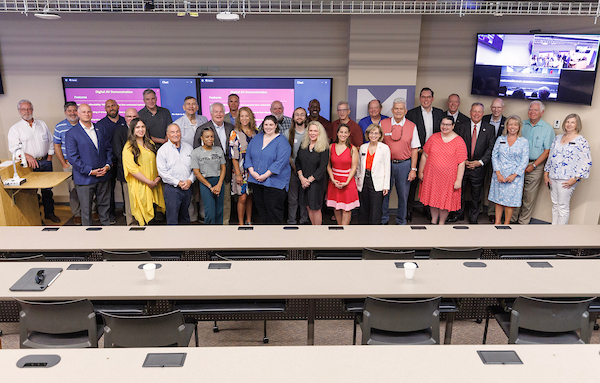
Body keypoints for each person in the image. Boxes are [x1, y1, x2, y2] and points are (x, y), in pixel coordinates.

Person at [8, 99, 59, 223]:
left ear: (32, 109)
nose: (26, 111)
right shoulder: (15, 129)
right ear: (19, 111)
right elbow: (13, 148)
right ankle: (37, 217)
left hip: (45, 162)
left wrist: (50, 157)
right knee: (32, 193)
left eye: (29, 109)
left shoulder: (42, 124)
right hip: (29, 165)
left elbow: (51, 141)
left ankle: (49, 213)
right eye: (23, 109)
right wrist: (27, 155)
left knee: (48, 191)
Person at [65, 104, 113, 226]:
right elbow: (72, 157)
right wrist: (90, 171)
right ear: (78, 114)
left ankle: (107, 232)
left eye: (89, 112)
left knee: (104, 206)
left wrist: (107, 165)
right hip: (85, 178)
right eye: (84, 112)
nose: (87, 114)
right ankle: (88, 237)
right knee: (86, 210)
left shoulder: (100, 128)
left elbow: (108, 149)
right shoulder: (72, 133)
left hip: (103, 175)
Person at [418, 116, 467, 225]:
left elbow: (462, 163)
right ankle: (433, 221)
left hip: (449, 178)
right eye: (443, 124)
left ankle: (441, 222)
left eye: (448, 124)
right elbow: (424, 155)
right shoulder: (433, 138)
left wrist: (459, 180)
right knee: (433, 200)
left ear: (453, 126)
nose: (445, 127)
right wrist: (421, 171)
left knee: (445, 201)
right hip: (432, 176)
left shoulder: (459, 141)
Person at [451, 103, 495, 223]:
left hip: (479, 167)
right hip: (462, 165)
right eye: (474, 111)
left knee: (476, 194)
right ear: (470, 112)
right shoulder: (461, 126)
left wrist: (480, 162)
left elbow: (490, 148)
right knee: (459, 191)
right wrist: (462, 161)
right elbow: (456, 145)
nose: (476, 114)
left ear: (483, 113)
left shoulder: (490, 128)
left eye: (479, 112)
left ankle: (473, 217)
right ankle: (458, 214)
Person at [544, 114, 592, 225]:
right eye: (567, 122)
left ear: (577, 125)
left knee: (563, 206)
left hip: (567, 179)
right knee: (555, 204)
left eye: (572, 122)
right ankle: (553, 230)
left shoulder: (581, 141)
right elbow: (551, 156)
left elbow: (587, 162)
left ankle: (561, 234)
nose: (569, 124)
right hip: (553, 176)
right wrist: (546, 174)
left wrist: (576, 178)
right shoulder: (558, 138)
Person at [406, 87, 444, 221]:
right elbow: (408, 134)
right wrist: (418, 148)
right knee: (412, 184)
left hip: (435, 156)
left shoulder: (440, 114)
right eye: (423, 97)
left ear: (432, 99)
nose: (426, 99)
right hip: (417, 153)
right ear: (420, 98)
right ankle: (408, 211)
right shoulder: (411, 114)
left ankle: (428, 210)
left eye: (428, 97)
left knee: (431, 184)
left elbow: (443, 133)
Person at [380, 98, 420, 225]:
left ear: (405, 111)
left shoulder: (412, 126)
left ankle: (401, 221)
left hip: (404, 165)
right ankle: (383, 220)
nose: (398, 111)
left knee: (403, 195)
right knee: (384, 194)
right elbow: (378, 145)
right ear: (392, 110)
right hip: (386, 165)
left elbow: (415, 149)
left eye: (401, 108)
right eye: (396, 108)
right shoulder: (383, 123)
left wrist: (413, 169)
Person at [245, 115, 292, 224]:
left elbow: (280, 162)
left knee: (274, 212)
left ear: (276, 126)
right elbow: (248, 155)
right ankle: (266, 237)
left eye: (271, 124)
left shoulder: (282, 141)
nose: (268, 127)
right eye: (266, 124)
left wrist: (265, 175)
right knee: (261, 211)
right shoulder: (257, 138)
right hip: (256, 181)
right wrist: (252, 172)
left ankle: (276, 238)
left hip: (275, 183)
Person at [194, 102, 234, 225]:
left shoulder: (230, 127)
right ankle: (211, 232)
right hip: (208, 173)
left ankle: (224, 226)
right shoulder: (202, 128)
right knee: (209, 206)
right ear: (211, 113)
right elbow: (197, 149)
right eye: (216, 112)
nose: (219, 114)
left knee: (225, 203)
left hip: (226, 171)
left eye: (221, 111)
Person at [516, 100, 555, 224]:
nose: (532, 112)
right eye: (530, 109)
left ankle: (523, 222)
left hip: (535, 166)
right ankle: (511, 219)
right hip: (518, 165)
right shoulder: (521, 125)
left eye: (535, 110)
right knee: (515, 192)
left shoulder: (547, 129)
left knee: (529, 196)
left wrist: (533, 165)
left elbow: (547, 151)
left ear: (542, 112)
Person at [122, 118, 165, 225]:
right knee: (145, 218)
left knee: (155, 215)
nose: (141, 130)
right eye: (137, 127)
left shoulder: (150, 143)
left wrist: (157, 178)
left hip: (154, 184)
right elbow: (132, 169)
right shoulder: (128, 147)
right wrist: (148, 182)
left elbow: (157, 162)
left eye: (142, 127)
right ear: (132, 130)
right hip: (141, 185)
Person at [488, 115, 530, 225]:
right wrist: (498, 173)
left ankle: (506, 224)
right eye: (510, 124)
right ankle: (497, 223)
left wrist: (514, 175)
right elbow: (494, 156)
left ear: (519, 127)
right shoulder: (500, 139)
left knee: (509, 203)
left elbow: (524, 160)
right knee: (498, 200)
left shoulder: (523, 142)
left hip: (514, 177)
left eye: (515, 124)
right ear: (506, 126)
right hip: (500, 175)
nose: (513, 127)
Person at [173, 96, 208, 223]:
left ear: (197, 107)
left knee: (204, 187)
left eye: (194, 104)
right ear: (184, 107)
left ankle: (204, 214)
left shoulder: (203, 120)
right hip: (187, 160)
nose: (191, 106)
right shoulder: (178, 123)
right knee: (190, 189)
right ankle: (192, 216)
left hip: (204, 159)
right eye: (188, 104)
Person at [156, 124, 195, 225]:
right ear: (167, 135)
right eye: (172, 132)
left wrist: (190, 180)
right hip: (172, 189)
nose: (176, 134)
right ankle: (173, 240)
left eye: (178, 131)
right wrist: (178, 182)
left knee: (185, 217)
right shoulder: (163, 151)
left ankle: (186, 239)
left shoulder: (188, 147)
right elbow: (162, 172)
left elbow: (195, 168)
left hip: (187, 187)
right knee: (172, 218)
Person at [97, 99, 127, 224]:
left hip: (124, 161)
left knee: (126, 188)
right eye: (108, 106)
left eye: (113, 105)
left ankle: (127, 211)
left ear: (118, 106)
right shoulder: (100, 124)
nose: (111, 108)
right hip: (108, 162)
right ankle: (111, 214)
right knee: (109, 190)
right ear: (105, 109)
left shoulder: (125, 121)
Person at [295, 121, 330, 225]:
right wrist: (301, 178)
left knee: (315, 208)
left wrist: (308, 181)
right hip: (303, 182)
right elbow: (298, 162)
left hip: (316, 183)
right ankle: (313, 229)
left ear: (320, 132)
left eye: (315, 131)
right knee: (308, 206)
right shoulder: (304, 144)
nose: (313, 133)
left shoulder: (324, 147)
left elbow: (322, 168)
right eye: (311, 130)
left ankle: (318, 233)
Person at [356, 124, 391, 225]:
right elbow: (359, 166)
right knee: (363, 208)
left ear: (380, 135)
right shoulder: (363, 147)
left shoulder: (384, 148)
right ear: (368, 134)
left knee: (375, 210)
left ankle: (374, 233)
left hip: (377, 182)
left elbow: (387, 168)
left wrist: (386, 186)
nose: (373, 135)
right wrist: (357, 181)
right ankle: (363, 231)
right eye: (371, 133)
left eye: (376, 133)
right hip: (363, 180)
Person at [53, 101, 81, 224]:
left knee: (90, 188)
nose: (72, 113)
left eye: (75, 110)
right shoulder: (59, 127)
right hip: (69, 165)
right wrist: (63, 163)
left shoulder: (85, 124)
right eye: (69, 111)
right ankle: (77, 213)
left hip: (86, 164)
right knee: (73, 190)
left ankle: (92, 210)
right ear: (65, 112)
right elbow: (57, 146)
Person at [191, 128, 226, 225]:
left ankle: (220, 234)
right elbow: (196, 173)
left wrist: (219, 184)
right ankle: (208, 234)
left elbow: (223, 168)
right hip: (205, 183)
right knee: (210, 211)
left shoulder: (218, 150)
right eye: (207, 137)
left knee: (219, 210)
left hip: (218, 181)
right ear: (202, 138)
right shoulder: (196, 152)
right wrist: (210, 186)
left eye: (212, 136)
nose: (210, 139)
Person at [326, 123, 360, 225]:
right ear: (337, 133)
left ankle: (345, 231)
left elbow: (354, 167)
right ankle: (339, 228)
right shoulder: (331, 147)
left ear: (349, 134)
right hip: (334, 180)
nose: (343, 134)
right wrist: (332, 179)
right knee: (336, 207)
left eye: (346, 132)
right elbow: (328, 165)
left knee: (346, 209)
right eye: (341, 132)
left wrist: (346, 182)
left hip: (348, 181)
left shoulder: (353, 149)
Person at [229, 107, 257, 225]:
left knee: (250, 197)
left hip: (254, 171)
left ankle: (249, 221)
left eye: (247, 116)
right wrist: (238, 174)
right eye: (242, 116)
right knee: (243, 197)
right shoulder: (234, 133)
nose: (244, 118)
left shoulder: (256, 132)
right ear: (238, 118)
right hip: (240, 171)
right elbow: (233, 156)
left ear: (251, 117)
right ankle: (240, 223)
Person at [482, 98, 508, 222]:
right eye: (494, 107)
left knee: (494, 186)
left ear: (503, 108)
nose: (496, 110)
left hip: (499, 160)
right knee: (481, 183)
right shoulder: (484, 118)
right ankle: (478, 208)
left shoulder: (508, 122)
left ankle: (491, 212)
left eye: (498, 107)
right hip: (483, 156)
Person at [113, 108, 138, 226]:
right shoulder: (119, 130)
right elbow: (119, 153)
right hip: (126, 173)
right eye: (129, 117)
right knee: (129, 201)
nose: (132, 119)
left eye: (134, 117)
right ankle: (130, 224)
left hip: (143, 173)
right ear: (125, 118)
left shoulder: (143, 130)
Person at [285, 107, 310, 225]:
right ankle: (291, 221)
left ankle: (304, 221)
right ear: (293, 117)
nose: (299, 117)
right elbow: (285, 152)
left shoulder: (310, 132)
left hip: (308, 172)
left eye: (302, 114)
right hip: (292, 171)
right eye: (297, 114)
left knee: (304, 199)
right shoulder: (287, 133)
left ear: (306, 117)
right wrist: (294, 167)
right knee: (292, 199)